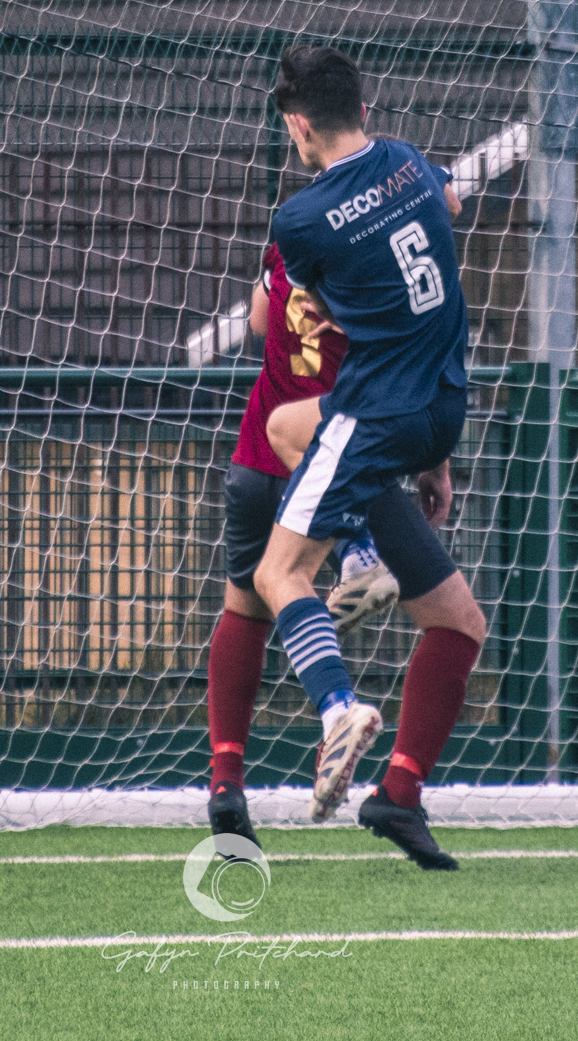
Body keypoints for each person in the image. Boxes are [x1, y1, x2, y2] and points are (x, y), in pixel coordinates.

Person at [250, 45, 487, 869]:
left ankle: (338, 707)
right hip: (440, 411)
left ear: (298, 125)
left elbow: (283, 316)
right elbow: (447, 208)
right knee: (460, 623)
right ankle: (400, 794)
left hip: (378, 417)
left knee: (278, 575)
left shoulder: (300, 219)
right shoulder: (416, 166)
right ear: (366, 108)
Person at [204, 241, 398, 845]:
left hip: (258, 460)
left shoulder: (292, 236)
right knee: (445, 612)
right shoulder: (386, 248)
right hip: (337, 456)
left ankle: (226, 781)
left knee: (246, 610)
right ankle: (360, 559)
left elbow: (261, 322)